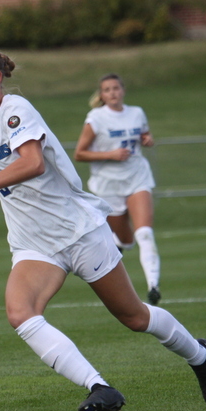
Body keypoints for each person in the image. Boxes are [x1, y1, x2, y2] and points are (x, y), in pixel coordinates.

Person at [0, 44, 206, 411]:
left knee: (134, 317)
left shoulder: (17, 111)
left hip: (78, 232)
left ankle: (200, 356)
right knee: (20, 313)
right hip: (34, 243)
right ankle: (99, 387)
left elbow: (33, 163)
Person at [73, 74, 161, 305]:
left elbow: (142, 134)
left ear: (123, 90)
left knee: (144, 233)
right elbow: (79, 153)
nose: (112, 93)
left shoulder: (137, 112)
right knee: (127, 239)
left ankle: (153, 286)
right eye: (107, 90)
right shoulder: (96, 118)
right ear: (101, 95)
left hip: (137, 177)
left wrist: (147, 138)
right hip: (107, 184)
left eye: (116, 88)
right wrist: (109, 155)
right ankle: (119, 244)